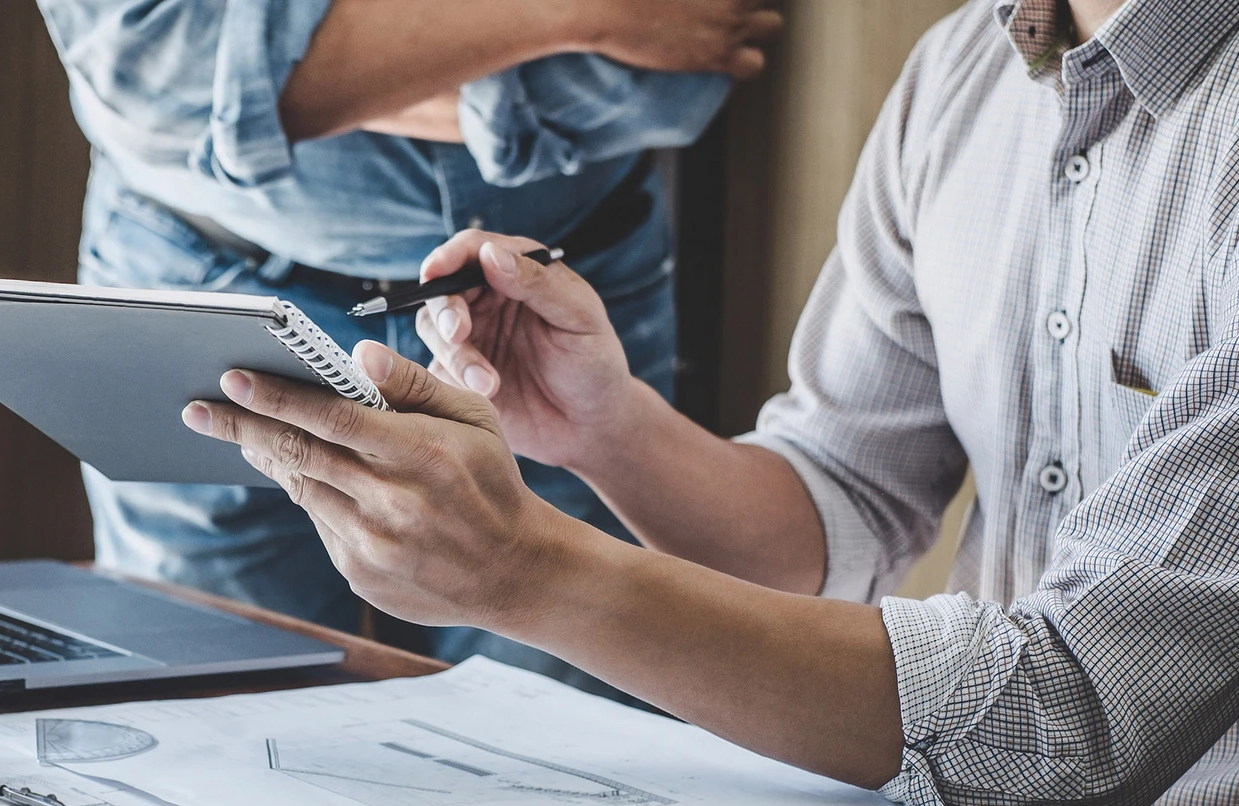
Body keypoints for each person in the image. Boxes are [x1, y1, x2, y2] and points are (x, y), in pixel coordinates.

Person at [181, 0, 1239, 806]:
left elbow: (1073, 722)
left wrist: (524, 569)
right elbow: (827, 520)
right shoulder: (959, 73)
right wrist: (606, 430)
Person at [38, 1, 779, 693]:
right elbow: (156, 79)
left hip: (554, 295)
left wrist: (291, 82)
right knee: (212, 715)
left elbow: (675, 76)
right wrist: (578, 16)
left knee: (564, 755)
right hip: (205, 283)